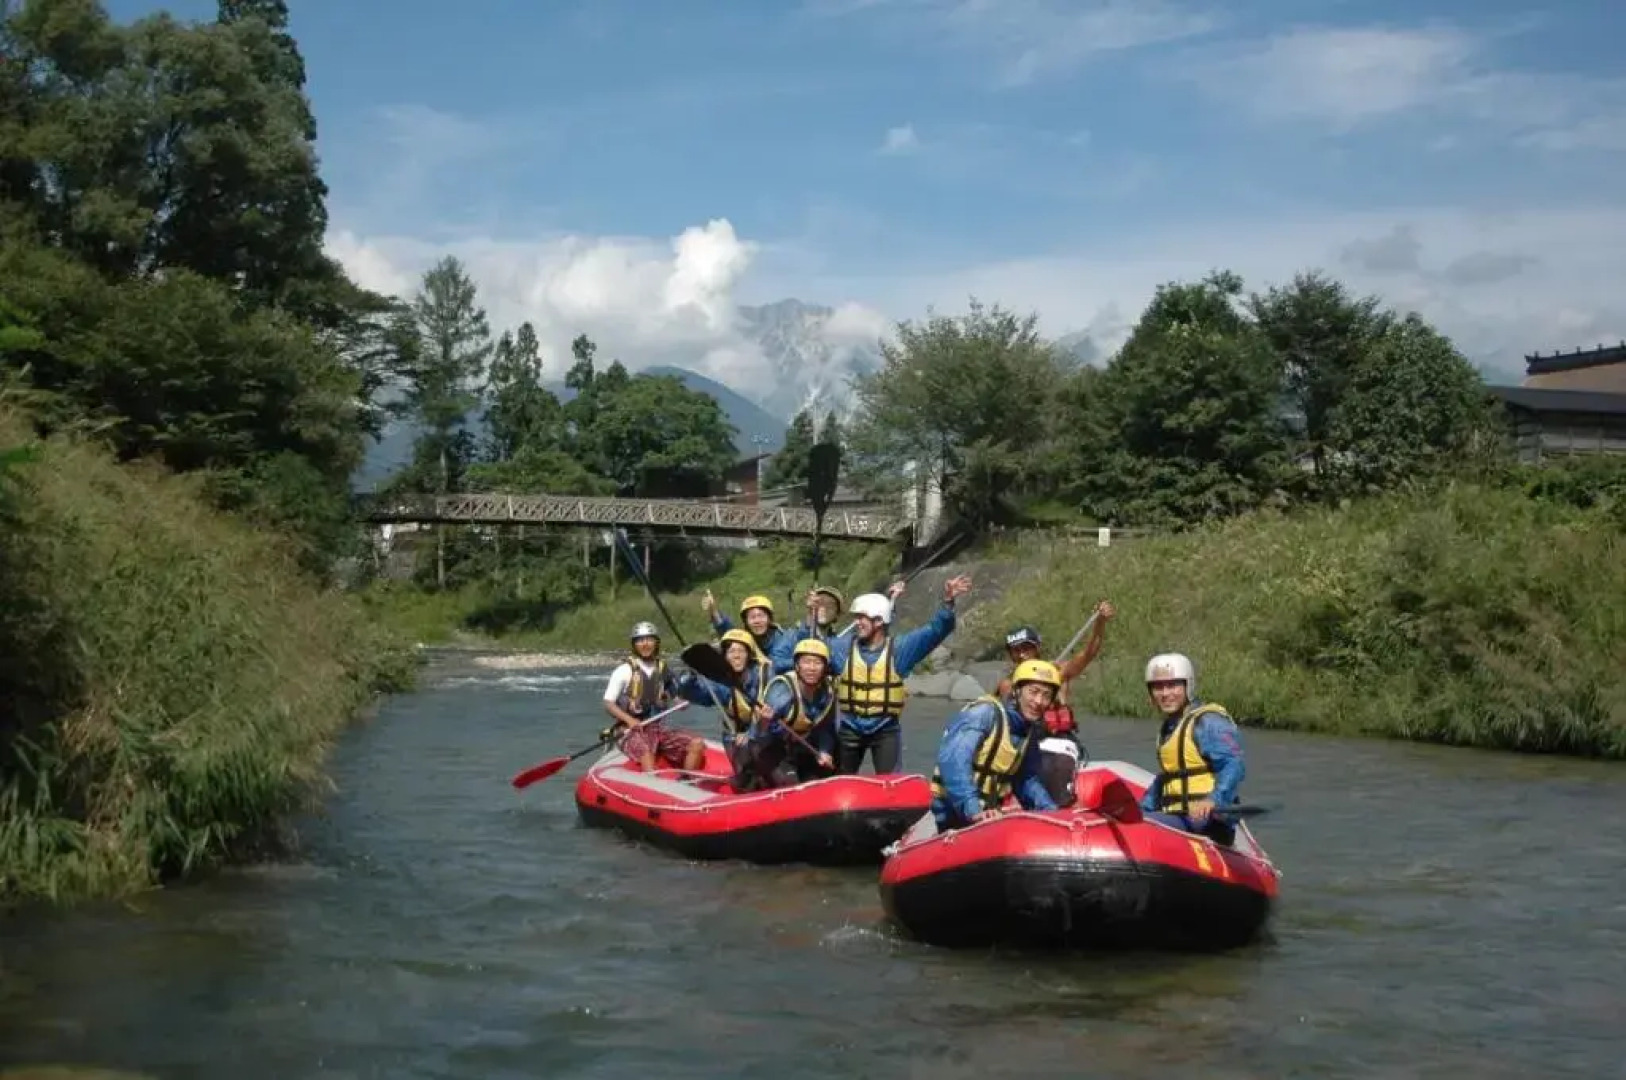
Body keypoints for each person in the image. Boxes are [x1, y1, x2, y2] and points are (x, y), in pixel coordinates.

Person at [826, 574, 971, 775]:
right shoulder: (842, 648)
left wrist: (948, 602)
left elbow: (935, 631)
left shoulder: (900, 651)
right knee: (839, 781)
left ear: (878, 621)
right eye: (856, 617)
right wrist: (813, 617)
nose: (856, 622)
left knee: (890, 786)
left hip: (885, 729)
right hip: (850, 728)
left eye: (862, 618)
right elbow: (814, 651)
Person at [993, 601, 1116, 805]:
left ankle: (1064, 810)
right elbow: (993, 717)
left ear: (1037, 648)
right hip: (1025, 744)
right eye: (1016, 650)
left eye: (1027, 648)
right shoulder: (1007, 685)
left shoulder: (1057, 672)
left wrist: (1100, 624)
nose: (1022, 654)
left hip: (1057, 742)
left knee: (1051, 769)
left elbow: (1088, 654)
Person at [928, 659, 1064, 831]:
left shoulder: (1028, 733)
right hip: (952, 814)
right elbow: (954, 761)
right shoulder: (984, 714)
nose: (1039, 701)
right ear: (1017, 691)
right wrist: (972, 809)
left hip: (986, 818)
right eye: (1033, 692)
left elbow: (1026, 781)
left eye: (1046, 695)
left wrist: (1051, 812)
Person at [1138, 652, 1246, 845]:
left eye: (1172, 686)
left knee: (1140, 828)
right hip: (1179, 815)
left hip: (1210, 820)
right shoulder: (1171, 727)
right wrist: (1140, 809)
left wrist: (1213, 800)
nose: (1165, 694)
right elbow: (1168, 777)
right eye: (1158, 687)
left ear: (1188, 686)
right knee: (1132, 822)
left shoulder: (1208, 722)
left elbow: (1233, 765)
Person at [601, 621, 706, 773]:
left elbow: (675, 696)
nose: (645, 644)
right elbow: (608, 703)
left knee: (697, 743)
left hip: (657, 729)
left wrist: (681, 703)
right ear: (634, 644)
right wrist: (629, 720)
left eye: (649, 639)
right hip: (630, 731)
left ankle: (687, 783)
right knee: (646, 753)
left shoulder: (663, 670)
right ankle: (650, 779)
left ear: (656, 642)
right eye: (640, 640)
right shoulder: (624, 670)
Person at [745, 638, 839, 789]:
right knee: (791, 786)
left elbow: (825, 728)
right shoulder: (782, 691)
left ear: (825, 668)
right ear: (797, 666)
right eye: (806, 662)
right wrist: (764, 721)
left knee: (824, 780)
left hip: (801, 748)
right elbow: (758, 733)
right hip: (772, 747)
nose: (812, 668)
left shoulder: (827, 692)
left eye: (817, 663)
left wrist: (825, 751)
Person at [675, 629, 768, 780]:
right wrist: (690, 673)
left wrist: (751, 733)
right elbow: (693, 694)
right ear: (724, 657)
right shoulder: (721, 684)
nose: (736, 656)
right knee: (746, 778)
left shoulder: (765, 675)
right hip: (735, 737)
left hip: (763, 735)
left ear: (749, 655)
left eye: (741, 651)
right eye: (731, 652)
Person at [702, 592, 793, 665]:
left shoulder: (784, 638)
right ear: (746, 622)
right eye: (752, 617)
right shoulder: (745, 638)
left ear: (769, 619)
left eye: (761, 616)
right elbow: (729, 631)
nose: (757, 621)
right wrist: (713, 611)